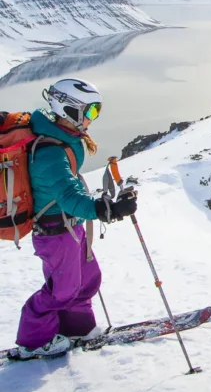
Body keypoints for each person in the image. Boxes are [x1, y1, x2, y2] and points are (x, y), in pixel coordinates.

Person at [14, 78, 138, 359]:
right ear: (70, 109)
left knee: (87, 279)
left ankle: (77, 328)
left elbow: (68, 190)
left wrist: (103, 204)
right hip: (55, 232)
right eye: (91, 111)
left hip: (70, 227)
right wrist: (110, 211)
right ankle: (32, 342)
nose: (93, 118)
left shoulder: (62, 139)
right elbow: (68, 197)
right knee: (62, 291)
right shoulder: (50, 152)